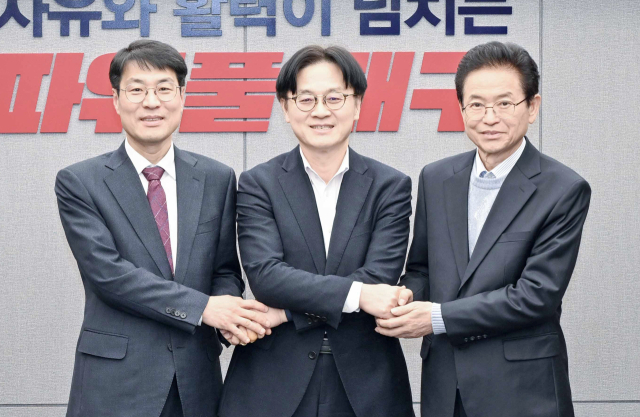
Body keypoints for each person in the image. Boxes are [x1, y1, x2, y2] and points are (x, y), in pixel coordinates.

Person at [55, 39, 271, 417]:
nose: (151, 102)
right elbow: (108, 274)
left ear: (182, 97)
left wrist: (230, 318)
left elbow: (223, 269)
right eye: (137, 90)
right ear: (116, 100)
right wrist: (205, 308)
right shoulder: (80, 182)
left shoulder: (217, 178)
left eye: (164, 89)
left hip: (196, 380)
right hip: (116, 383)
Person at [375, 41, 591, 417]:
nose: (489, 117)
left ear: (532, 107)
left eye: (504, 103)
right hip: (445, 387)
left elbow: (536, 295)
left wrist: (437, 317)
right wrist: (404, 299)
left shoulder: (563, 189)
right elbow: (422, 267)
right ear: (461, 109)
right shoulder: (436, 178)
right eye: (476, 105)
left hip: (523, 391)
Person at [218, 45, 414, 417]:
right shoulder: (258, 184)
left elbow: (380, 278)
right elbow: (267, 278)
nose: (321, 111)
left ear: (357, 105)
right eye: (306, 99)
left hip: (365, 384)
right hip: (271, 381)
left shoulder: (390, 186)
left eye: (334, 98)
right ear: (285, 108)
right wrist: (359, 294)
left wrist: (286, 314)